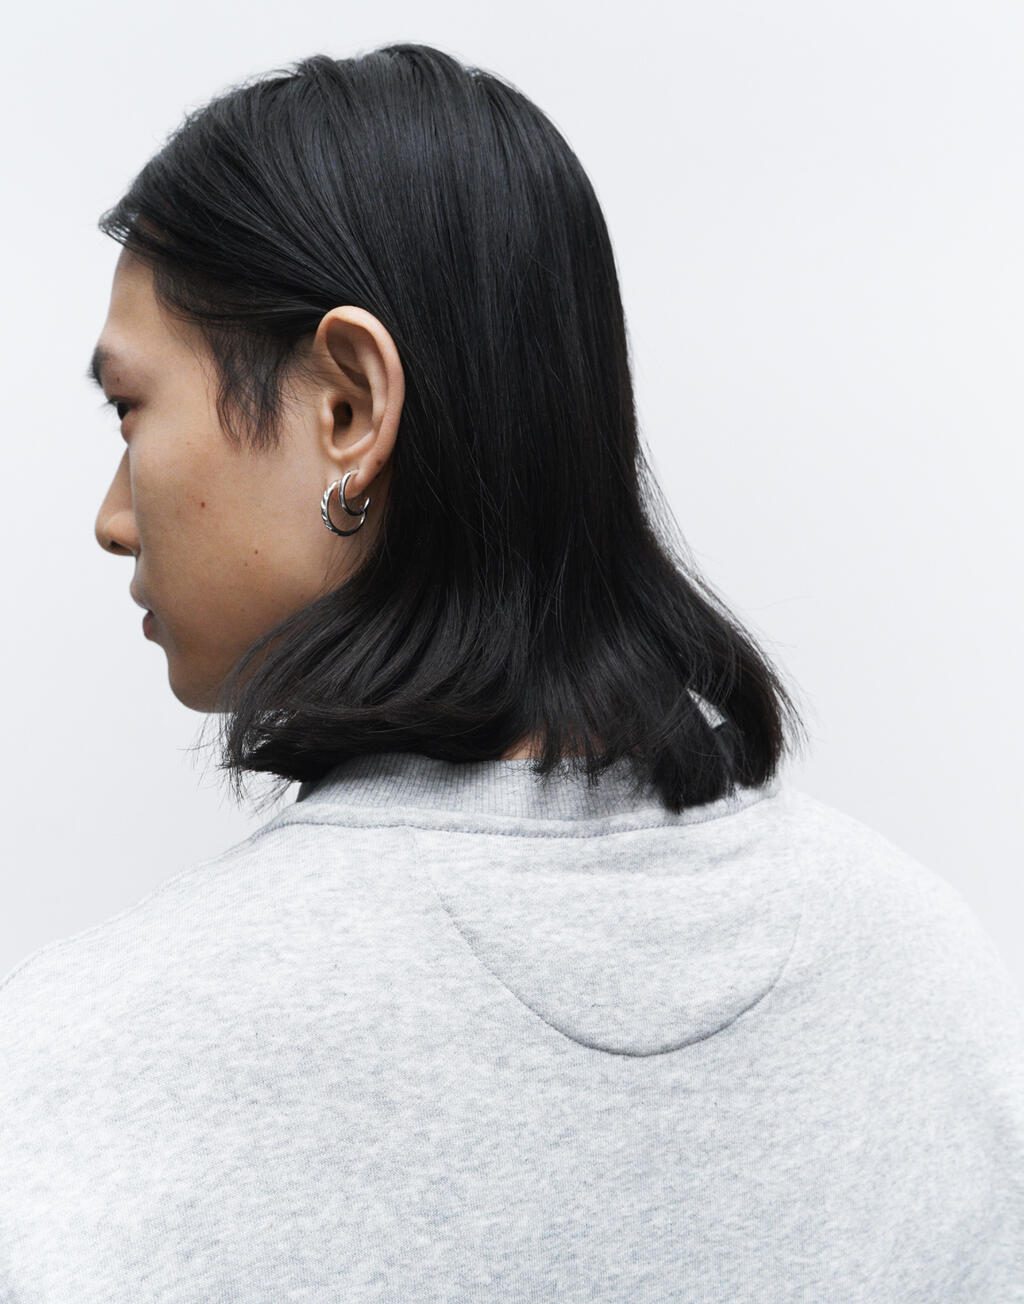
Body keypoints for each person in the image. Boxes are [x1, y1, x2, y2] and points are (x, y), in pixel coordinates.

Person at [1, 42, 1021, 1303]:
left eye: (130, 409)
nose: (113, 517)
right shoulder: (929, 984)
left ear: (347, 407)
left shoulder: (90, 1071)